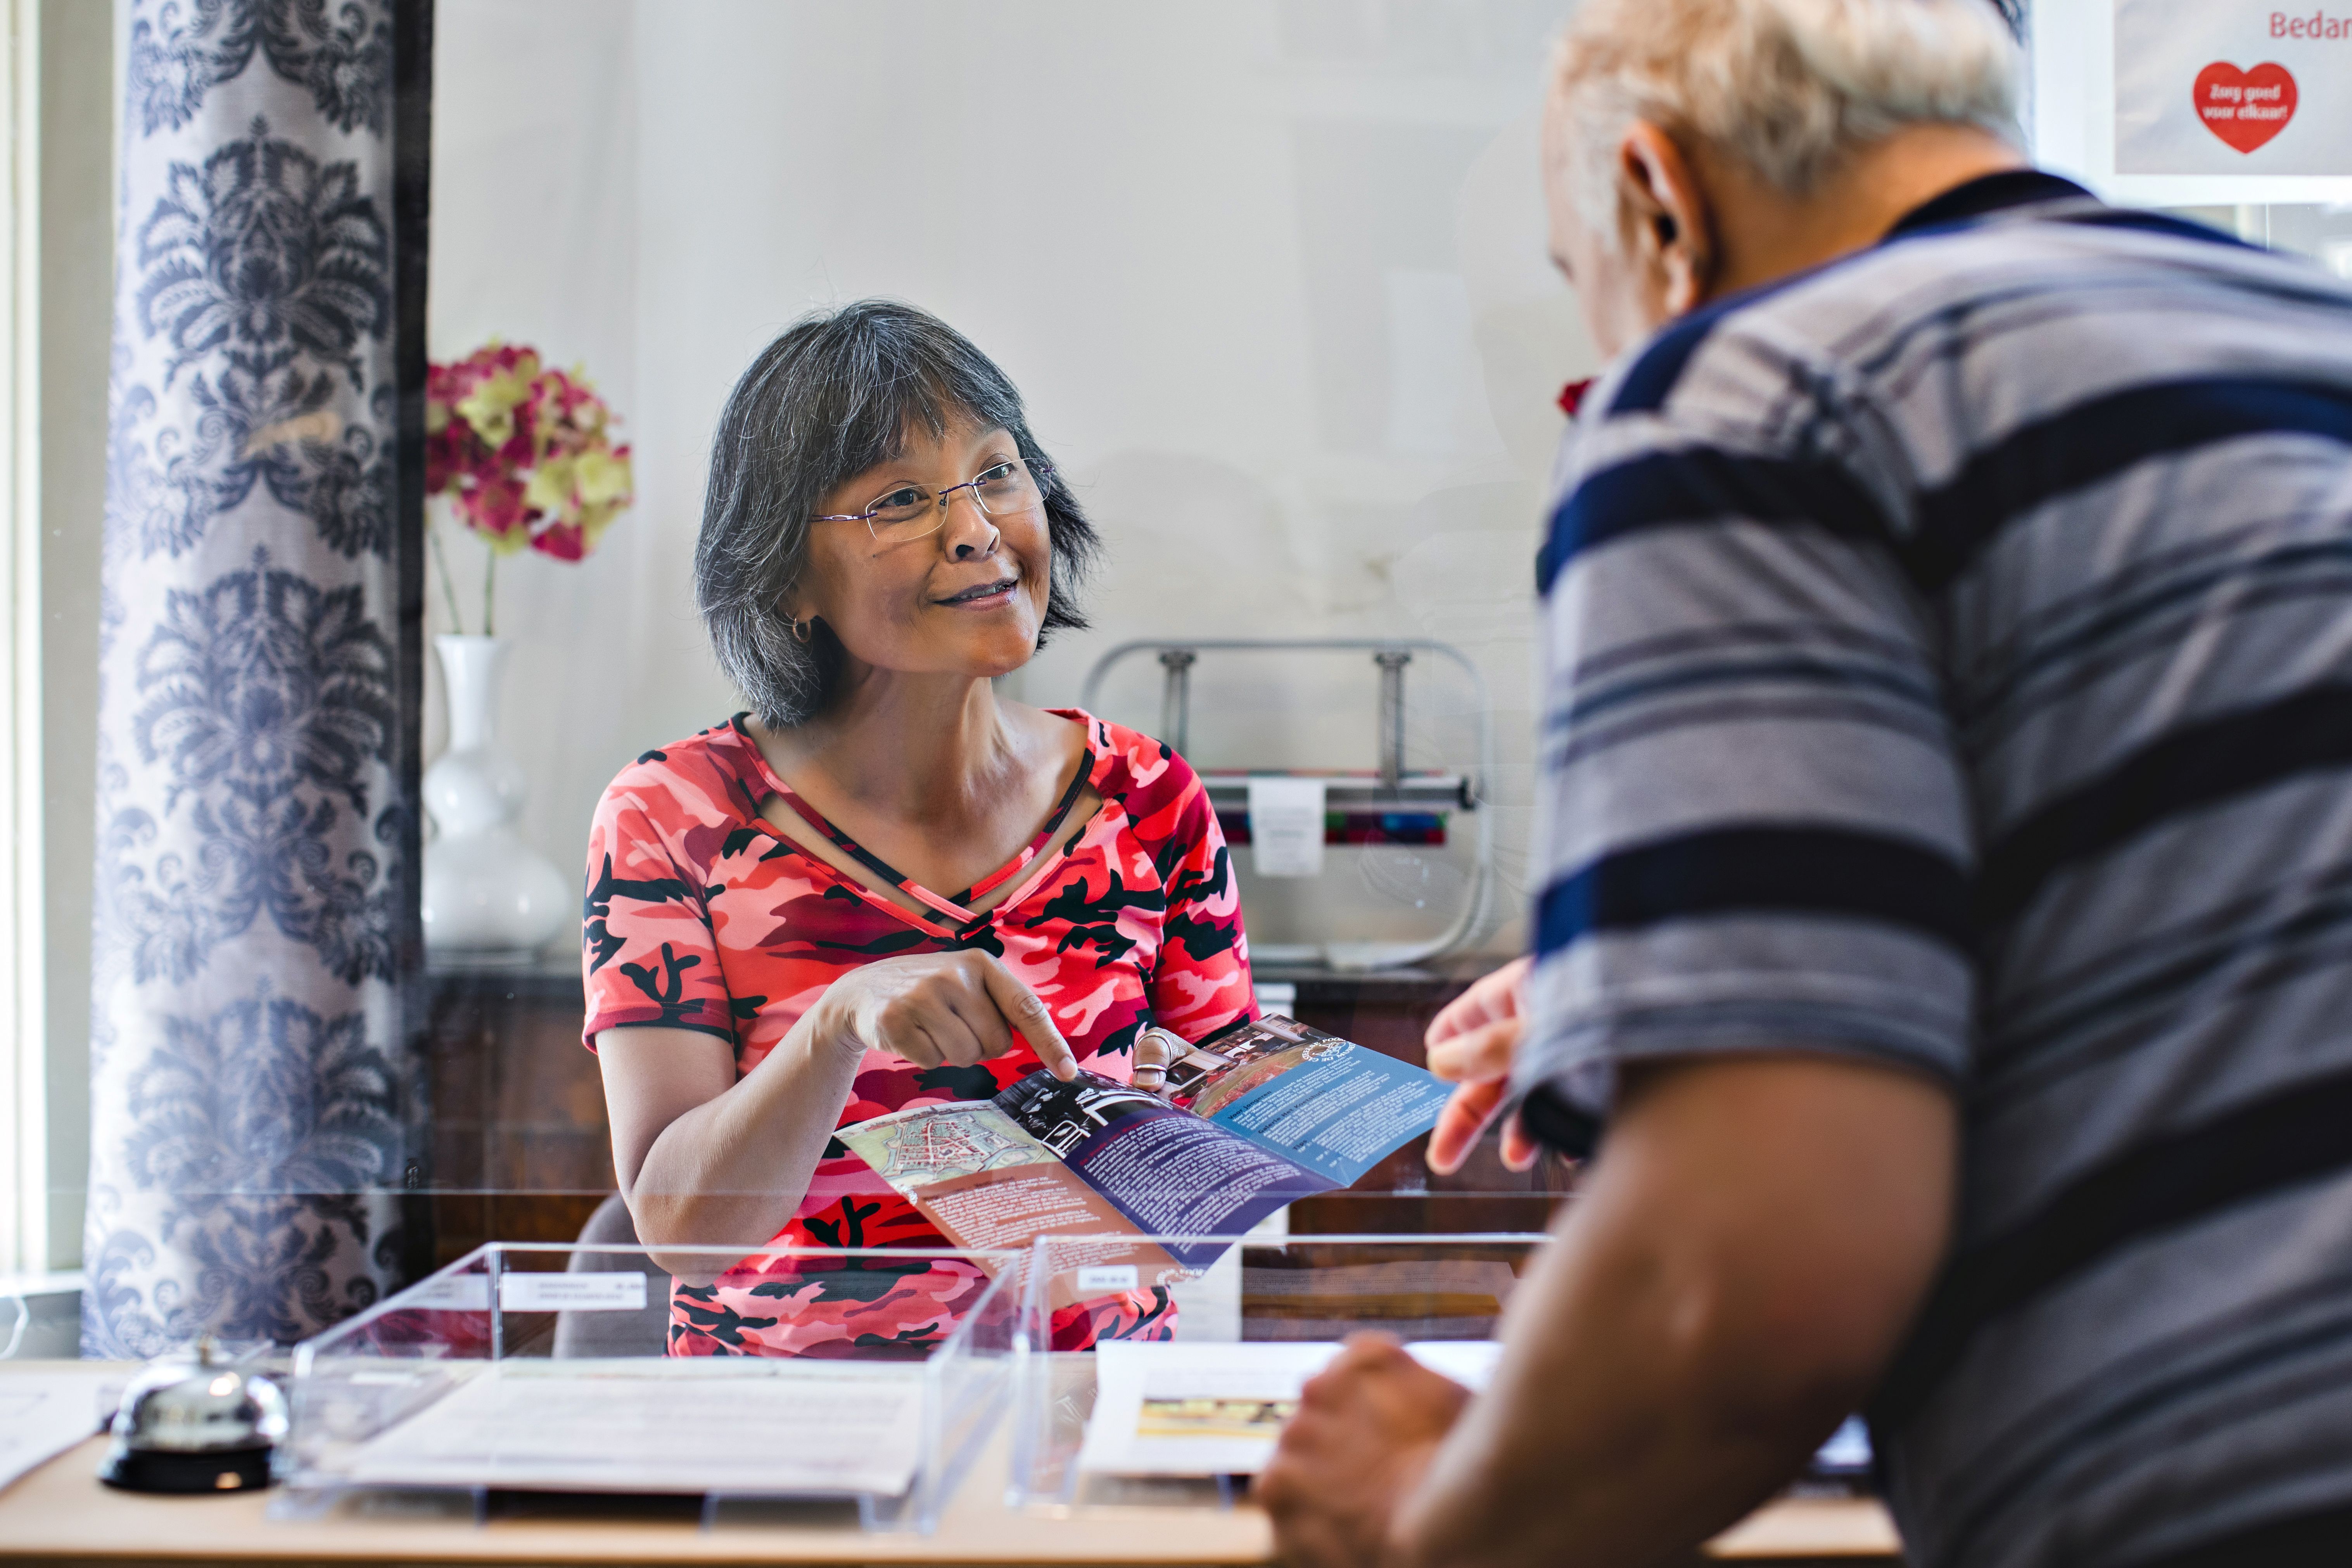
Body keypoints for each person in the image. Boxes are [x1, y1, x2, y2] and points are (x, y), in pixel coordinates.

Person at [1260, 0, 2352, 1564]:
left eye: (1586, 296)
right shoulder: (2300, 337)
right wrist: (1695, 976)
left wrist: (1426, 1513)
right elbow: (2211, 928)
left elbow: (1757, 1274)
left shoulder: (1744, 403)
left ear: (1658, 200)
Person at [584, 300, 1256, 1356]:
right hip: (795, 1454)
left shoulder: (1147, 796)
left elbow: (1217, 1158)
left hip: (1083, 1437)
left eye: (997, 472)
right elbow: (679, 1229)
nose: (977, 528)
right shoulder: (678, 815)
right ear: (789, 576)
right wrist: (835, 1021)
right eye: (901, 499)